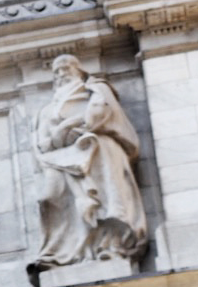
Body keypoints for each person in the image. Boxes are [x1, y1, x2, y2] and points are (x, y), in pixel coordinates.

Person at [32, 54, 148, 271]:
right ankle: (62, 252)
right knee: (48, 198)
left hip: (96, 150)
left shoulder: (95, 90)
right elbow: (43, 142)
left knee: (107, 199)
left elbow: (97, 115)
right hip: (59, 158)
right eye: (57, 71)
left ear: (79, 71)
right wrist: (60, 134)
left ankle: (108, 247)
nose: (61, 74)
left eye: (66, 68)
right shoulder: (47, 110)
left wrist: (71, 124)